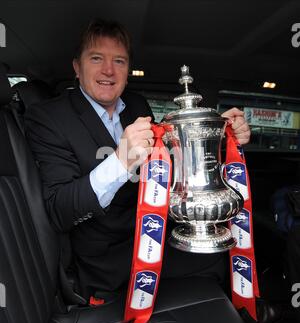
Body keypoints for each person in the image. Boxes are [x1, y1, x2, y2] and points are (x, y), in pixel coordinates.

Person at [25, 19, 251, 299]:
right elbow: (59, 210)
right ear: (77, 66)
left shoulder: (136, 105)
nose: (108, 70)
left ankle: (240, 314)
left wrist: (217, 135)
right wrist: (121, 161)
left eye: (119, 61)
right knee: (213, 260)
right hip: (107, 258)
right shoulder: (49, 118)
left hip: (154, 230)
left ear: (128, 69)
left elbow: (168, 160)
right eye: (97, 58)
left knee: (220, 248)